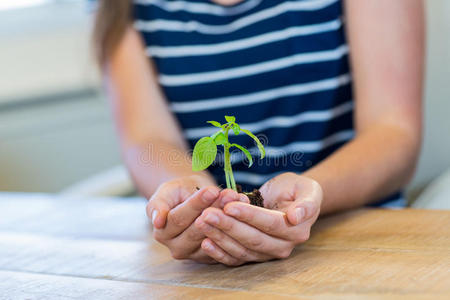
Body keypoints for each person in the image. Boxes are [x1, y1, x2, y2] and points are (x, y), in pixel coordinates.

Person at [93, 0, 424, 266]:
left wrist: (306, 200)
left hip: (355, 245)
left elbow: (394, 132)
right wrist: (197, 205)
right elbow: (147, 139)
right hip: (204, 261)